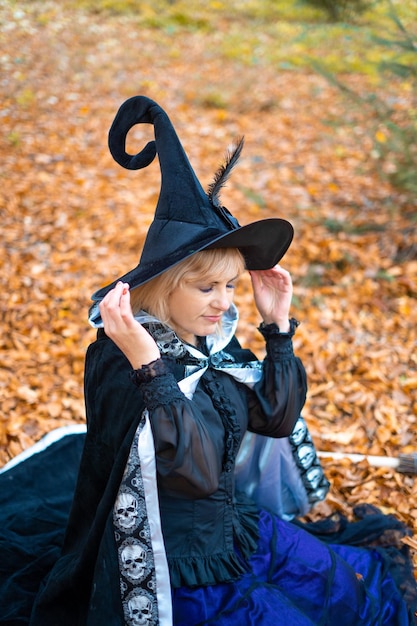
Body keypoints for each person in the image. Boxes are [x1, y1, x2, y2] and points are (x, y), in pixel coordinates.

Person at [1, 96, 415, 625]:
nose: (223, 303)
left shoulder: (212, 347)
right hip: (179, 572)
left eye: (230, 285)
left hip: (236, 529)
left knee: (356, 591)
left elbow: (275, 418)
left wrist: (278, 328)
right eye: (205, 287)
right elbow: (191, 473)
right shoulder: (124, 361)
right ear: (163, 288)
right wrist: (150, 369)